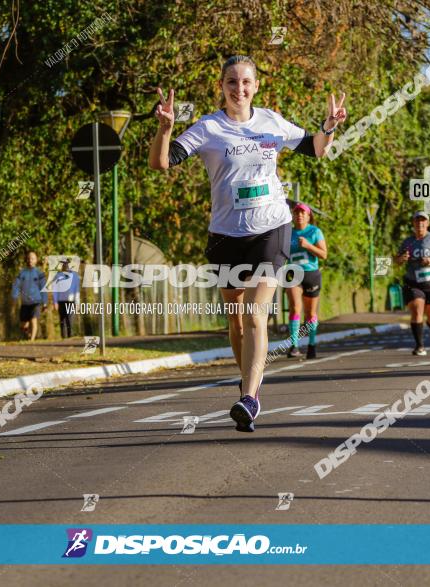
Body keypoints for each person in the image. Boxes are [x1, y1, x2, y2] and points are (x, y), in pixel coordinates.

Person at [149, 54, 347, 432]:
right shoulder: (208, 128)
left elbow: (316, 149)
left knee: (257, 314)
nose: (239, 88)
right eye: (231, 82)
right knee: (237, 320)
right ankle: (247, 384)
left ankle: (251, 398)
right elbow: (161, 163)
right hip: (225, 233)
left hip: (271, 227)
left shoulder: (271, 121)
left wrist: (329, 126)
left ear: (256, 86)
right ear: (221, 87)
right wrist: (165, 128)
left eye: (245, 82)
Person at [394, 211, 430, 356]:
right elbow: (396, 260)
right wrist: (401, 258)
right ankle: (420, 346)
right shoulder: (407, 241)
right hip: (414, 282)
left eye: (423, 221)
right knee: (417, 309)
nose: (420, 223)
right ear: (413, 224)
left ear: (427, 223)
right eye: (417, 221)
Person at [285, 202, 327, 359]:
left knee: (310, 313)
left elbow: (323, 255)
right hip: (293, 273)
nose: (299, 215)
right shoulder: (287, 232)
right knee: (295, 307)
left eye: (303, 213)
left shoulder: (315, 232)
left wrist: (308, 246)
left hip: (311, 274)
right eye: (296, 213)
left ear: (309, 216)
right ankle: (294, 346)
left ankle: (311, 344)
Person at [11, 251, 48, 341]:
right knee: (24, 325)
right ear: (26, 260)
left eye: (32, 258)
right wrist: (14, 296)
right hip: (25, 302)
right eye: (28, 258)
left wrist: (45, 302)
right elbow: (16, 285)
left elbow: (44, 288)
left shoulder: (39, 273)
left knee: (33, 320)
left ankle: (32, 340)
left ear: (36, 260)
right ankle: (29, 335)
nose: (30, 260)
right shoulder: (22, 273)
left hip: (36, 301)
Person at [49, 258, 81, 338]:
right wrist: (55, 301)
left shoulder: (75, 276)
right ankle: (63, 337)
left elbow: (76, 290)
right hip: (61, 301)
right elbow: (55, 289)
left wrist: (77, 303)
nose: (66, 266)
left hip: (71, 301)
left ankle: (70, 336)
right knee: (62, 320)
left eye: (67, 264)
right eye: (64, 264)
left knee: (69, 319)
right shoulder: (58, 276)